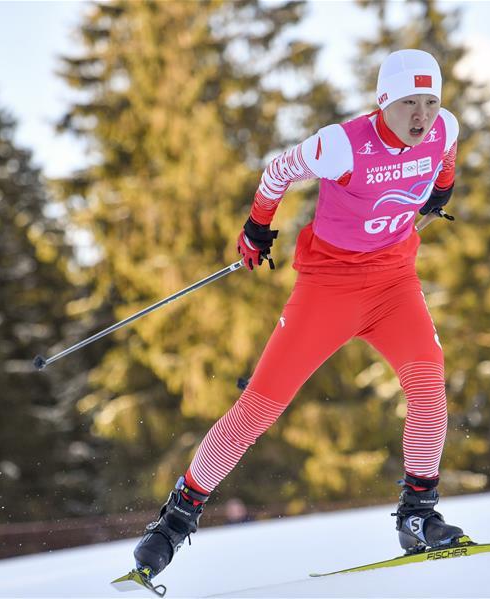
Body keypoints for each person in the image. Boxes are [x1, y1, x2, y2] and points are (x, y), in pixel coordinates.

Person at [133, 49, 464, 580]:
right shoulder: (343, 144)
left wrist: (442, 187)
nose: (421, 116)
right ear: (384, 102)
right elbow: (280, 168)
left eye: (430, 102)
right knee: (259, 409)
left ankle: (417, 516)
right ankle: (177, 516)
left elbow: (446, 153)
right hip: (328, 289)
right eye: (408, 104)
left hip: (395, 284)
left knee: (428, 387)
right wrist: (257, 227)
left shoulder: (443, 128)